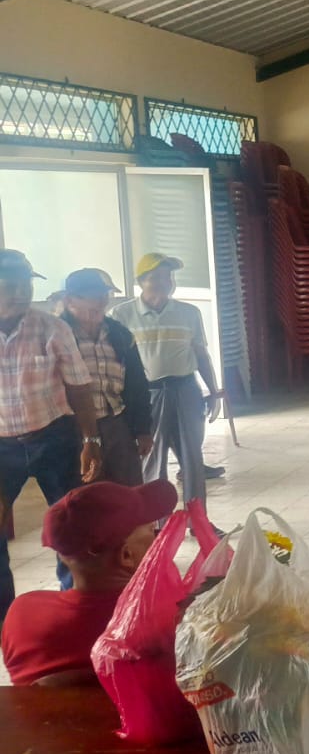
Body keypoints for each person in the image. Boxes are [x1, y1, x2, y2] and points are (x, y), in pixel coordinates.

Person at [1, 250, 102, 612]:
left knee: (70, 525)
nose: (21, 292)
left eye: (26, 284)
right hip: (2, 449)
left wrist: (90, 440)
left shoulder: (52, 328)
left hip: (53, 438)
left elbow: (79, 387)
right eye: (10, 285)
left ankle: (75, 603)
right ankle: (5, 617)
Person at [2, 479, 174, 685]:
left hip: (42, 708)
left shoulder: (22, 615)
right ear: (126, 556)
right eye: (151, 529)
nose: (157, 535)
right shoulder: (166, 620)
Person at [110, 253, 223, 504]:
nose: (164, 282)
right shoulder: (121, 315)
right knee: (151, 456)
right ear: (141, 281)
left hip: (186, 389)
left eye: (168, 276)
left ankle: (197, 518)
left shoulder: (189, 312)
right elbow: (116, 363)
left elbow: (201, 355)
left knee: (192, 456)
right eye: (156, 277)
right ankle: (157, 519)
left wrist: (214, 391)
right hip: (147, 394)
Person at [59, 269, 152, 488]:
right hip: (73, 430)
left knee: (129, 491)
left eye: (104, 295)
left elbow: (137, 385)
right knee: (86, 494)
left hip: (116, 424)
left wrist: (143, 430)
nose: (101, 302)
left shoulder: (119, 335)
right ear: (69, 300)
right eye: (92, 296)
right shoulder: (57, 335)